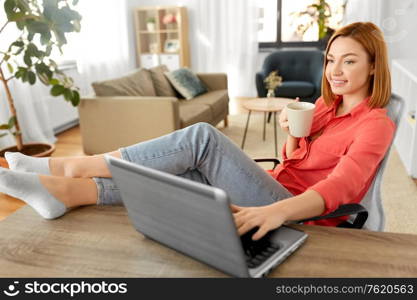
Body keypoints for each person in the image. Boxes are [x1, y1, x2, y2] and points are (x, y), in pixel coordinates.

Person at [0, 22, 394, 241]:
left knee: (201, 139)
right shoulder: (326, 106)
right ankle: (66, 193)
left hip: (297, 212)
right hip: (275, 185)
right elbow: (297, 160)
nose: (335, 71)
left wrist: (272, 212)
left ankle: (72, 168)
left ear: (373, 67)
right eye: (330, 60)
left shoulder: (375, 124)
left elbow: (336, 189)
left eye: (349, 61)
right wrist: (294, 133)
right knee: (185, 175)